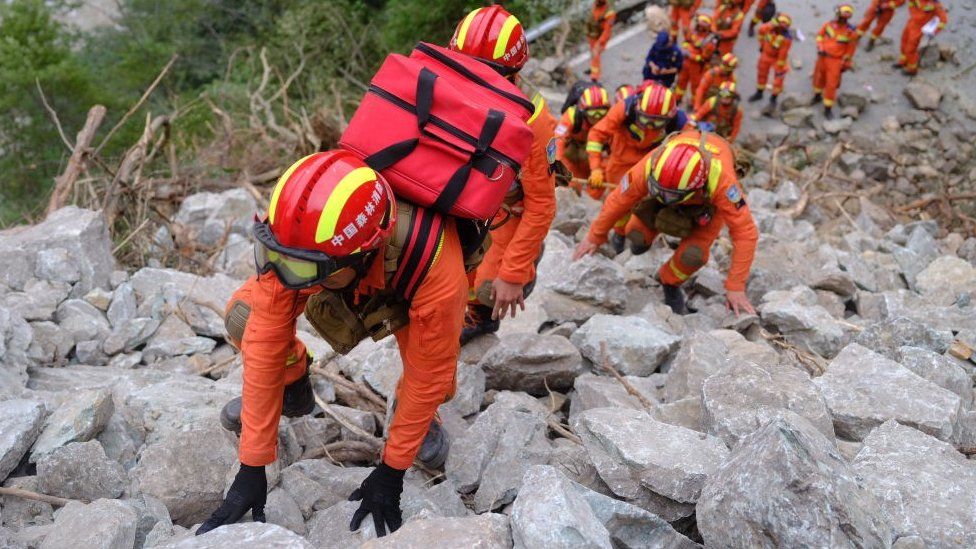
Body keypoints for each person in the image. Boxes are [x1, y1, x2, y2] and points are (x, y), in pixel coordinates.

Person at [197, 151, 468, 537]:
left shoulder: (437, 270)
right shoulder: (295, 240)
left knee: (435, 383)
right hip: (339, 273)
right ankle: (292, 388)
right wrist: (252, 465)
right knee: (245, 316)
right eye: (270, 255)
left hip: (408, 281)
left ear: (364, 252)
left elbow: (430, 373)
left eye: (299, 269)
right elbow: (263, 337)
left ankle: (422, 427)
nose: (283, 275)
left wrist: (391, 472)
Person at [573, 129, 758, 316]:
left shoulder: (723, 182)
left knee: (693, 255)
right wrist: (595, 236)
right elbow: (618, 200)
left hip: (704, 207)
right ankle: (642, 240)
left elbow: (745, 232)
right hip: (664, 190)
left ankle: (669, 281)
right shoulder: (650, 164)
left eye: (669, 195)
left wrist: (735, 286)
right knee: (636, 233)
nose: (665, 197)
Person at [457, 7, 558, 343]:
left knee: (486, 287)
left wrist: (514, 273)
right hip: (465, 198)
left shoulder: (532, 123)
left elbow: (541, 205)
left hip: (507, 209)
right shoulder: (444, 89)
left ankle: (481, 317)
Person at [586, 83, 689, 251]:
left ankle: (641, 234)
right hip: (620, 161)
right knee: (619, 200)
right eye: (645, 119)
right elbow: (596, 135)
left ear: (669, 117)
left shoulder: (680, 123)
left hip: (653, 164)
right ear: (638, 108)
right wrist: (596, 168)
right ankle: (619, 232)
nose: (649, 125)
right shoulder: (624, 109)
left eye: (656, 123)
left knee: (647, 202)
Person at [556, 84, 612, 198]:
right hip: (573, 152)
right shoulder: (572, 115)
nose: (597, 117)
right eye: (592, 113)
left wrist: (598, 170)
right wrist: (556, 163)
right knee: (568, 184)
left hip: (594, 156)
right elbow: (558, 139)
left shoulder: (611, 118)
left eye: (601, 113)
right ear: (583, 110)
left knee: (597, 183)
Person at [813, 4, 859, 119]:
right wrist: (820, 46)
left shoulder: (850, 32)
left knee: (831, 84)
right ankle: (817, 95)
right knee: (818, 77)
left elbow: (850, 49)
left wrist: (846, 63)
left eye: (846, 14)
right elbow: (820, 36)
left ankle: (827, 108)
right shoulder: (828, 25)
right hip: (822, 57)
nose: (843, 16)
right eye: (842, 13)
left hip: (835, 60)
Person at [748, 12, 793, 110]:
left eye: (785, 24)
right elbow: (761, 31)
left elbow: (783, 52)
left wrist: (780, 65)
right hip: (766, 55)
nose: (783, 25)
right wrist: (761, 45)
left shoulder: (786, 38)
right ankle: (759, 92)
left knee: (778, 80)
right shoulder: (770, 28)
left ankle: (774, 98)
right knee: (761, 73)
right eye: (781, 22)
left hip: (777, 59)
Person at [895, 0, 947, 76]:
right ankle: (903, 61)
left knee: (910, 49)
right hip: (911, 22)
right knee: (904, 42)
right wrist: (912, 11)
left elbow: (943, 19)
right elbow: (910, 3)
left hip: (919, 28)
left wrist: (934, 31)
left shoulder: (935, 4)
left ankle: (912, 69)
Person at [675, 12, 717, 106]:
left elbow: (704, 59)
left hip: (697, 68)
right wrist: (684, 48)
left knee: (695, 86)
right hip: (686, 63)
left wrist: (690, 55)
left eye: (701, 26)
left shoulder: (709, 42)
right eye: (698, 25)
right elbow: (687, 41)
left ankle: (694, 103)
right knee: (681, 82)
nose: (698, 27)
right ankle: (677, 99)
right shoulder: (694, 32)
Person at [586, 0, 616, 81]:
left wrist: (600, 42)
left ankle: (595, 77)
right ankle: (593, 69)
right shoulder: (595, 5)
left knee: (596, 54)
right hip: (593, 35)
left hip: (600, 37)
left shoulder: (610, 13)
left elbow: (607, 31)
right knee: (593, 53)